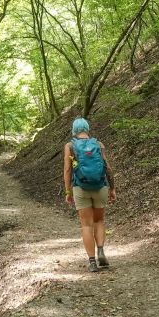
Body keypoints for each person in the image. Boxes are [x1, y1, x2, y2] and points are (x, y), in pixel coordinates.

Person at [63, 117, 116, 273]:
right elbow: (107, 167)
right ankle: (101, 251)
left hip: (81, 187)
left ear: (74, 130)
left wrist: (68, 191)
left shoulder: (70, 146)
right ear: (87, 128)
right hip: (100, 186)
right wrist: (112, 188)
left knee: (87, 224)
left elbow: (67, 170)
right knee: (99, 220)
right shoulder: (98, 145)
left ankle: (92, 262)